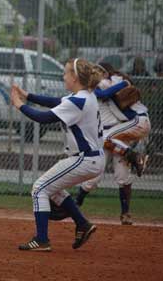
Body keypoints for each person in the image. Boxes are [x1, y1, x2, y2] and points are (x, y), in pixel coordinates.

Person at [11, 58, 104, 251]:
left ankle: (42, 239)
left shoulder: (78, 100)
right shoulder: (86, 95)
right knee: (52, 188)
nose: (64, 76)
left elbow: (43, 117)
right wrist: (27, 95)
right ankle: (82, 224)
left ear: (75, 77)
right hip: (92, 158)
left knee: (39, 188)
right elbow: (55, 102)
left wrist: (19, 104)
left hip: (84, 158)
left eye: (66, 72)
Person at [75, 63, 151, 225]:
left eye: (99, 70)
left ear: (105, 72)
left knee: (123, 176)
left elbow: (110, 90)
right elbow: (103, 93)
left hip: (117, 135)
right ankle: (76, 204)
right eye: (93, 71)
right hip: (106, 137)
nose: (95, 73)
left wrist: (124, 84)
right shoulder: (93, 89)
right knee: (93, 177)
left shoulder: (109, 82)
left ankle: (125, 213)